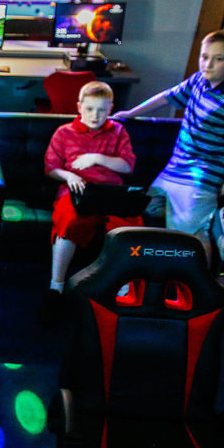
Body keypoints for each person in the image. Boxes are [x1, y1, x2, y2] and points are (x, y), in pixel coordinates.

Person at [114, 30, 224, 260]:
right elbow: (167, 96)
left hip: (205, 172)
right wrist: (132, 112)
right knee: (150, 207)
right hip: (178, 165)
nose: (209, 64)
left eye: (219, 59)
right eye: (205, 57)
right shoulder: (199, 80)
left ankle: (197, 284)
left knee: (191, 234)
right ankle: (212, 218)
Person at [40, 82, 140, 323]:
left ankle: (124, 288)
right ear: (79, 107)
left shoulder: (118, 131)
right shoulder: (64, 132)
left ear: (111, 109)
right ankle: (57, 286)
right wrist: (69, 175)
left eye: (102, 110)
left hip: (111, 192)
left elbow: (127, 166)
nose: (95, 116)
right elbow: (50, 168)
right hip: (78, 191)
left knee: (130, 227)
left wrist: (97, 158)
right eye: (90, 109)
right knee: (67, 222)